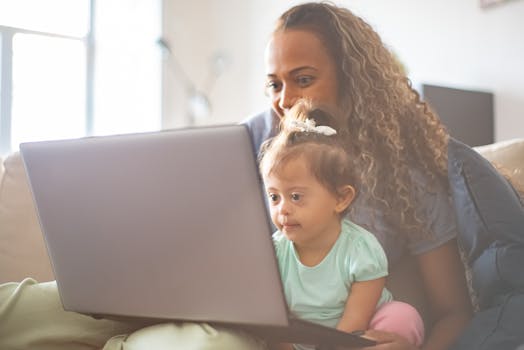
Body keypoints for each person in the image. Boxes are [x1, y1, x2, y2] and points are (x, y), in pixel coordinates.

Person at [1, 2, 473, 350]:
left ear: (352, 78)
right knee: (19, 311)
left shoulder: (403, 171)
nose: (284, 99)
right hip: (185, 293)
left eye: (303, 79)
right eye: (274, 83)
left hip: (267, 332)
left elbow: (453, 309)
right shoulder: (259, 133)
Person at [259, 100, 424, 350]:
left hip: (356, 336)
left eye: (295, 196)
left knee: (402, 315)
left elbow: (352, 327)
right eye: (274, 196)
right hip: (300, 342)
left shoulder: (361, 250)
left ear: (341, 198)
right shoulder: (273, 253)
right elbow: (276, 324)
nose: (282, 208)